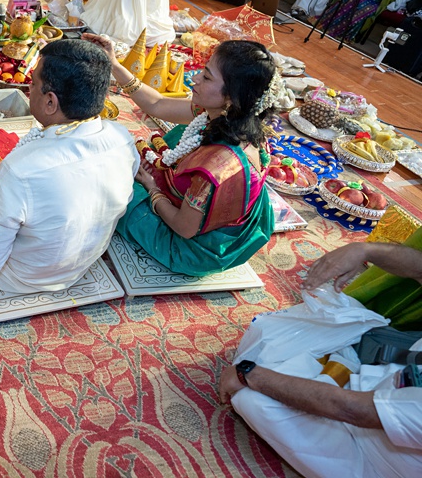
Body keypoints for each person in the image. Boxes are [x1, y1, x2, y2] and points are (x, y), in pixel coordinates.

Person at [0, 40, 139, 294]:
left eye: (33, 84)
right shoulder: (123, 138)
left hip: (20, 277)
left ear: (50, 103)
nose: (29, 89)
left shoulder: (22, 170)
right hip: (81, 264)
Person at [219, 235, 422, 478]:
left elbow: (350, 409)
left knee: (252, 400)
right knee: (349, 319)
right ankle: (345, 365)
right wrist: (365, 250)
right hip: (388, 379)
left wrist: (248, 374)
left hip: (374, 458)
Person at [90, 38, 276, 277]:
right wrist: (114, 63)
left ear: (231, 96)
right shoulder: (227, 116)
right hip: (205, 209)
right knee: (179, 136)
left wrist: (151, 187)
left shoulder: (217, 165)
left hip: (191, 247)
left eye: (207, 77)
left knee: (114, 184)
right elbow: (156, 104)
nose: (195, 77)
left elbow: (184, 228)